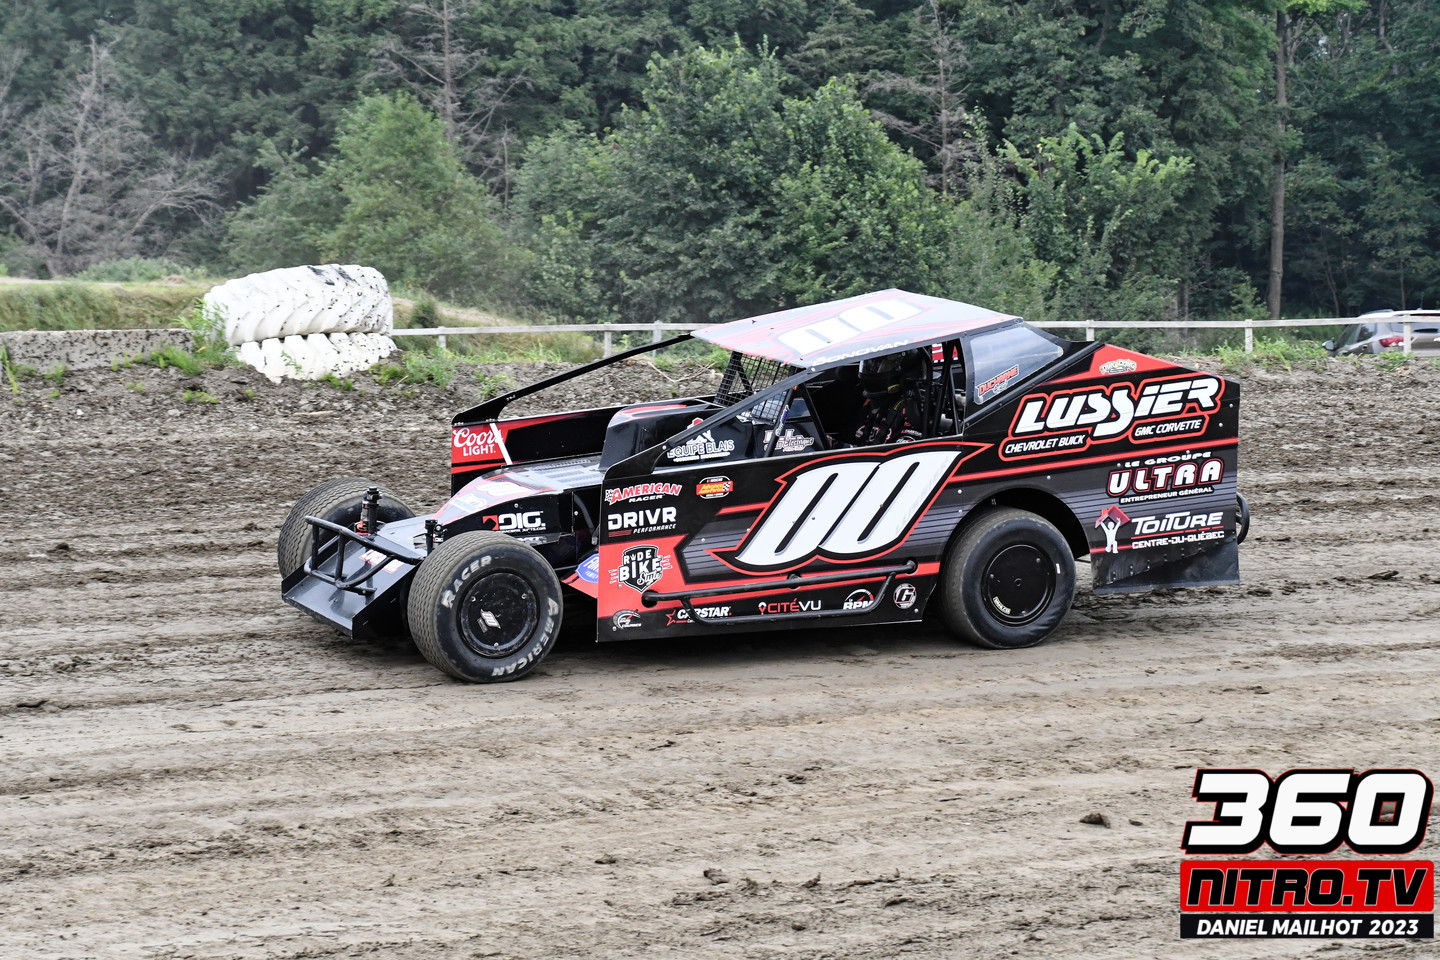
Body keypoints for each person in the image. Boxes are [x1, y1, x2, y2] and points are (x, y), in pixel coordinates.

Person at [851, 348, 932, 445]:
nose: (872, 368)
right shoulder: (870, 404)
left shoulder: (910, 410)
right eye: (871, 364)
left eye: (882, 364)